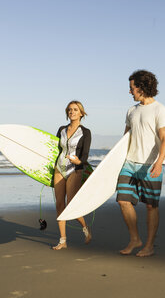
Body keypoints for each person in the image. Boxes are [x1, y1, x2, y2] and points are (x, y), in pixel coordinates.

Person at [116, 70, 165, 257]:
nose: (130, 92)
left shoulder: (160, 110)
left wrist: (159, 162)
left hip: (150, 164)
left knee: (150, 206)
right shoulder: (131, 110)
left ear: (142, 87)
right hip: (129, 163)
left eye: (132, 88)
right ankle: (135, 239)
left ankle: (149, 245)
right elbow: (125, 138)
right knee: (123, 200)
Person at [52, 100, 92, 250]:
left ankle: (85, 228)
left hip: (75, 169)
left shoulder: (85, 132)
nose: (72, 112)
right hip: (59, 168)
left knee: (71, 205)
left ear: (81, 113)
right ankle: (63, 240)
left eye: (75, 110)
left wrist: (78, 161)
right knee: (59, 204)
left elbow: (85, 155)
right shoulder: (61, 129)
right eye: (69, 110)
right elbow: (55, 149)